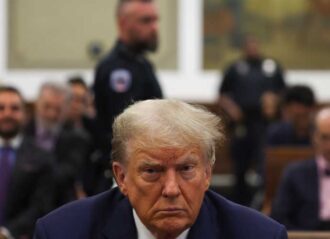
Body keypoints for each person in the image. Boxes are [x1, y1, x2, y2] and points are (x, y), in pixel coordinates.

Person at [34, 99, 287, 239]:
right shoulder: (63, 232)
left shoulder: (259, 236)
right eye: (152, 171)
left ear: (207, 174)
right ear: (121, 177)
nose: (171, 189)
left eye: (186, 169)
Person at [92, 0, 163, 193]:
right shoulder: (115, 68)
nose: (154, 27)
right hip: (126, 173)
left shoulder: (142, 65)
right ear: (124, 24)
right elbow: (123, 129)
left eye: (156, 20)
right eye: (146, 21)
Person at [218, 35, 286, 205]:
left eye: (255, 44)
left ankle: (263, 202)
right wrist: (232, 109)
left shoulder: (271, 67)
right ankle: (239, 203)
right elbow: (222, 95)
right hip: (241, 123)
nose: (252, 48)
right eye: (249, 45)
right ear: (244, 48)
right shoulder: (235, 68)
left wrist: (273, 102)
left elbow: (284, 93)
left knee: (265, 163)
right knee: (240, 166)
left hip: (265, 124)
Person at [0, 86, 54, 239]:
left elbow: (41, 205)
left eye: (14, 108)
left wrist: (6, 233)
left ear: (24, 114)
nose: (7, 114)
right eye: (1, 108)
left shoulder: (42, 157)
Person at [24, 82, 90, 205]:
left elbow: (67, 175)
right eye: (47, 107)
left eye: (58, 109)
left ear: (66, 109)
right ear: (37, 105)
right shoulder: (22, 133)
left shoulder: (78, 139)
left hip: (59, 205)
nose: (51, 114)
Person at [271, 107, 330, 230]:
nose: (329, 145)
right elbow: (279, 217)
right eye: (325, 138)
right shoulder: (295, 174)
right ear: (315, 138)